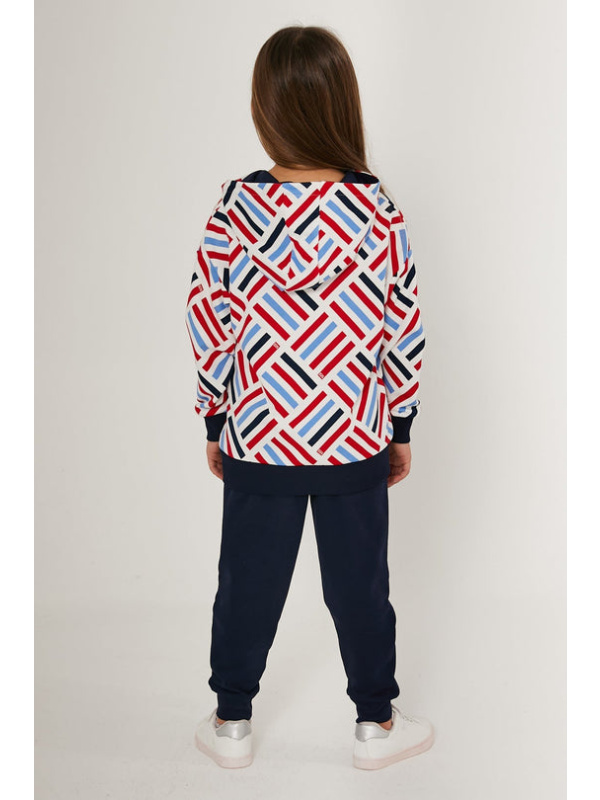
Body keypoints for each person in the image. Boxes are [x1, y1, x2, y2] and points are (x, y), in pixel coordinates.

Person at [186, 24, 434, 770]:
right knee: (360, 585)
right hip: (353, 433)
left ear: (264, 107)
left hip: (260, 431)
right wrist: (399, 424)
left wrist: (216, 415)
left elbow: (208, 318)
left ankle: (231, 721)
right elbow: (403, 325)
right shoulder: (377, 210)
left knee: (246, 583)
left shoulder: (236, 209)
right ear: (341, 105)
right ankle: (376, 724)